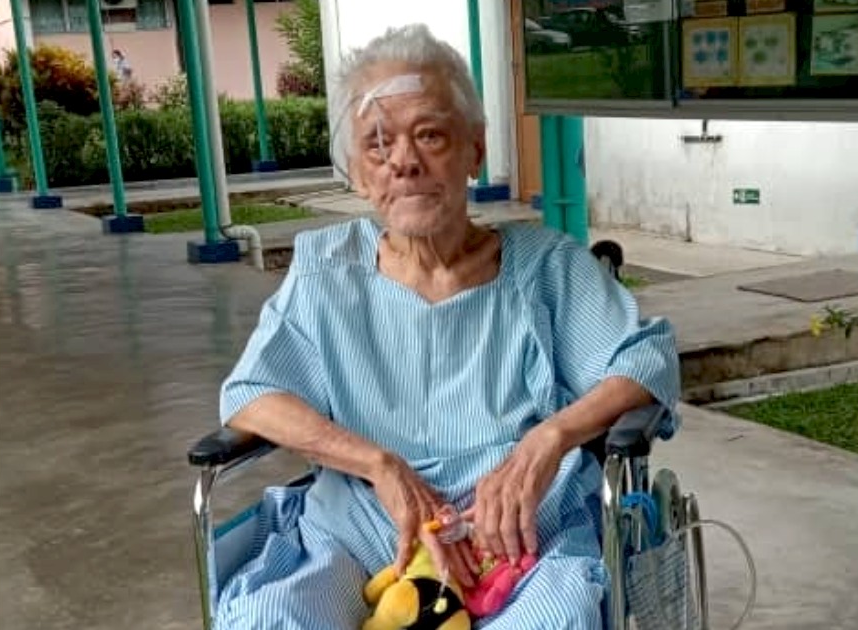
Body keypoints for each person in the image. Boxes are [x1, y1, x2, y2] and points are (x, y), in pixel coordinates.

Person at [214, 23, 680, 629]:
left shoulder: (546, 267)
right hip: (363, 529)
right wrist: (379, 464)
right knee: (268, 618)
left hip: (516, 536)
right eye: (378, 144)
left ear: (474, 150)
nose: (404, 162)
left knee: (555, 620)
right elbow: (251, 395)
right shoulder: (326, 269)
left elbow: (646, 360)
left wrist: (549, 439)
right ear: (358, 172)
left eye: (429, 135)